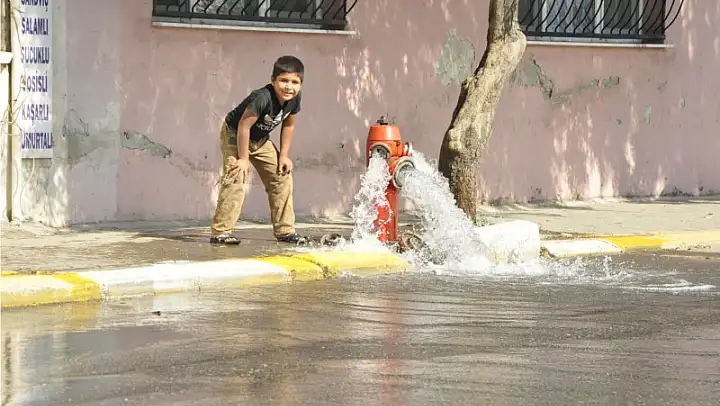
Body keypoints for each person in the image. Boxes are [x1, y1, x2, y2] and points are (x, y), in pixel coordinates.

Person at [210, 55, 308, 245]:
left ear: (301, 84)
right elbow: (243, 126)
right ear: (273, 80)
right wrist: (243, 159)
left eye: (295, 82)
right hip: (235, 135)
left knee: (282, 177)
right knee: (237, 175)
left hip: (260, 140)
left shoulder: (294, 99)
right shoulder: (262, 98)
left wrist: (284, 156)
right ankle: (221, 232)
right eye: (284, 80)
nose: (289, 87)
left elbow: (289, 125)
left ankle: (285, 231)